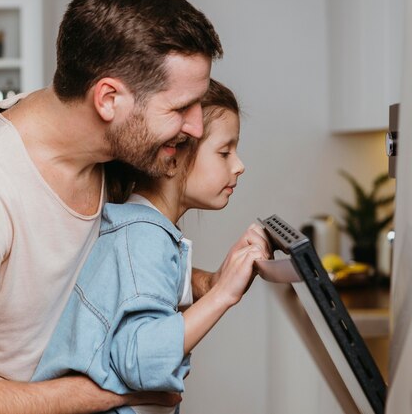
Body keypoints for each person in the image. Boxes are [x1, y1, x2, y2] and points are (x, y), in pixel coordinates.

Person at [0, 0, 271, 413]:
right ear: (108, 98)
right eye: (181, 107)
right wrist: (121, 390)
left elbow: (110, 269)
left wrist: (210, 283)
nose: (196, 127)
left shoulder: (106, 148)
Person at [31, 79, 263, 414]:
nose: (239, 165)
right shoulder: (143, 237)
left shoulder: (140, 226)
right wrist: (222, 295)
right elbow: (142, 361)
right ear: (173, 156)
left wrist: (216, 280)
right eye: (225, 152)